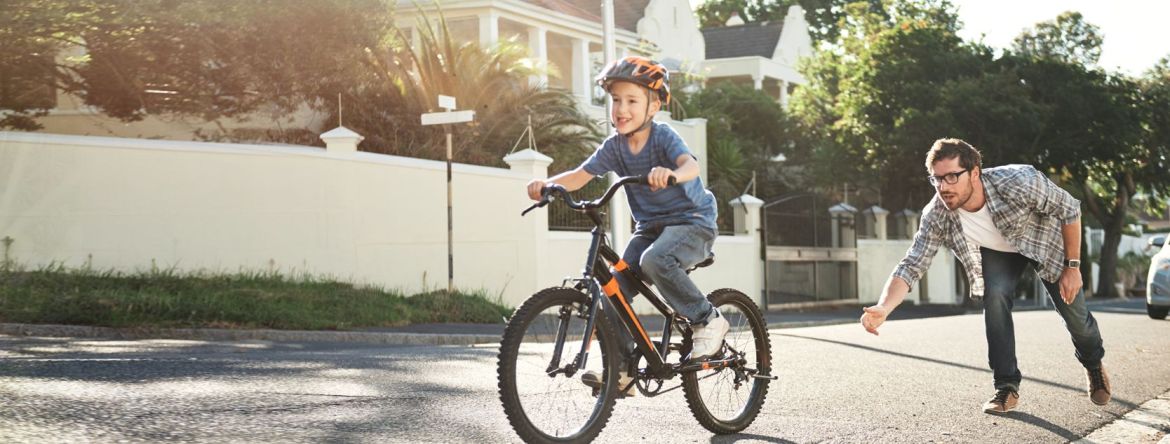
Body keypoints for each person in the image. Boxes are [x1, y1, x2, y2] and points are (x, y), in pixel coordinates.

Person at [859, 138, 1110, 414]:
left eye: (952, 177)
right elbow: (912, 264)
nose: (943, 187)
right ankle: (1006, 386)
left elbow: (1069, 208)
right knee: (995, 296)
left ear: (974, 172)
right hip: (999, 251)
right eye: (936, 179)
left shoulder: (1018, 181)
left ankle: (1093, 364)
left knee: (1077, 319)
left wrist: (1072, 267)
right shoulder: (937, 213)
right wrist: (884, 307)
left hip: (1045, 244)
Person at [524, 56, 727, 394]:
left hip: (693, 222)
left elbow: (690, 165)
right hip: (650, 228)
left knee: (654, 260)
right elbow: (580, 175)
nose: (621, 109)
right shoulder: (615, 147)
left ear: (654, 106)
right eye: (616, 100)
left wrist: (672, 173)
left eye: (632, 101)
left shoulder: (663, 137)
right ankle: (624, 370)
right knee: (611, 291)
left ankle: (708, 319)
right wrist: (547, 184)